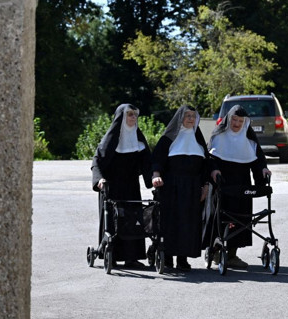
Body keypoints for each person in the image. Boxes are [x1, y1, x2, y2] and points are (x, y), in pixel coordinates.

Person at [208, 105, 272, 268]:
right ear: (229, 120)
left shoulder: (248, 139)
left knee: (241, 218)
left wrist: (262, 171)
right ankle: (215, 250)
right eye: (234, 120)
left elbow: (258, 160)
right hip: (223, 184)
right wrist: (214, 171)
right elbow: (211, 159)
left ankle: (232, 254)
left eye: (240, 121)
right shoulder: (218, 136)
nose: (237, 124)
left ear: (245, 122)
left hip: (243, 183)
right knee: (220, 218)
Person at [91, 104, 152, 268]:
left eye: (135, 115)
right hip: (112, 187)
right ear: (121, 117)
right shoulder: (110, 140)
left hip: (131, 187)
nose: (133, 118)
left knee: (134, 219)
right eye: (129, 115)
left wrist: (152, 179)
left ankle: (132, 257)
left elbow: (147, 162)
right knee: (114, 220)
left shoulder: (138, 140)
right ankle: (112, 254)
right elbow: (96, 161)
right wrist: (99, 180)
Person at [151, 105, 210, 272]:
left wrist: (205, 186)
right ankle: (167, 257)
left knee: (189, 223)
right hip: (171, 186)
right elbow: (157, 159)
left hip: (192, 187)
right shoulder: (168, 139)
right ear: (180, 118)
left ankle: (183, 258)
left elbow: (206, 164)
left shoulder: (198, 139)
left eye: (193, 116)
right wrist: (156, 174)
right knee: (171, 221)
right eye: (187, 116)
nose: (191, 119)